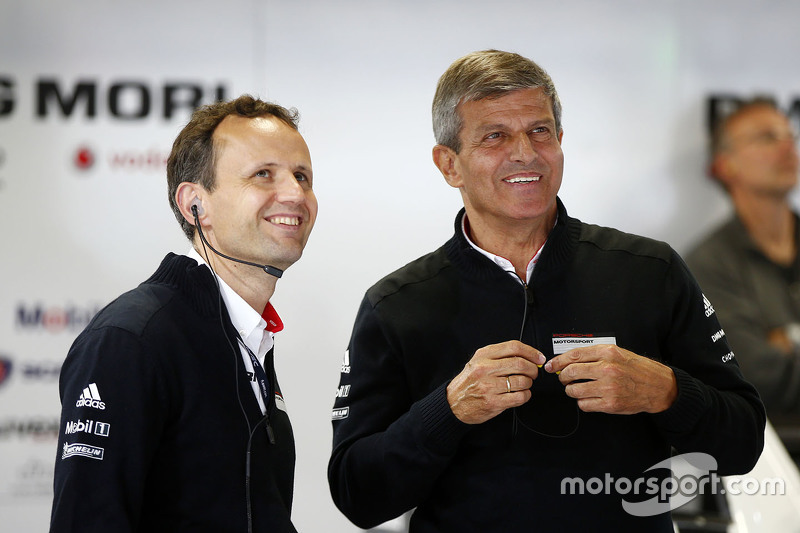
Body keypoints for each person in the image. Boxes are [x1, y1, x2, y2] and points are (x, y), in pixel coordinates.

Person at [328, 50, 765, 531]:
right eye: (495, 136)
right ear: (448, 164)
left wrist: (666, 391)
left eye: (539, 131)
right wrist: (447, 410)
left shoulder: (650, 271)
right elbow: (356, 494)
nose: (524, 152)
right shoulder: (397, 305)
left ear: (559, 140)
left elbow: (744, 443)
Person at [50, 95, 317, 532]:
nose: (295, 194)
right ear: (196, 204)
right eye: (263, 174)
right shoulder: (131, 340)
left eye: (302, 176)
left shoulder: (246, 338)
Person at [686, 98, 800, 460]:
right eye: (767, 137)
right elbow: (754, 374)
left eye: (788, 134)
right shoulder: (708, 264)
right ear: (724, 165)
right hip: (774, 462)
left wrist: (786, 339)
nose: (787, 145)